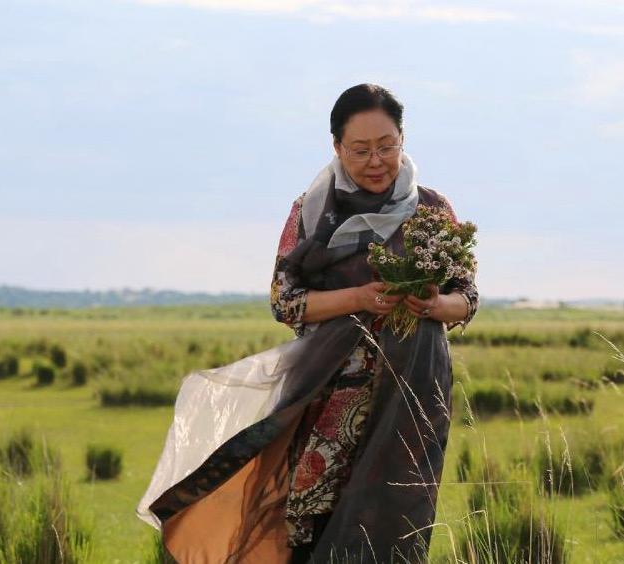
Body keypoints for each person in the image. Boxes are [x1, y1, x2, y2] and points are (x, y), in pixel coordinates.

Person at [136, 83, 479, 564]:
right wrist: (359, 297)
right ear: (337, 147)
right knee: (308, 517)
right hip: (326, 395)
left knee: (396, 516)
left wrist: (434, 305)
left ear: (403, 139)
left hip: (412, 392)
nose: (376, 160)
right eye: (361, 150)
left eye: (387, 146)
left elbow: (466, 296)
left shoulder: (431, 209)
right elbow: (286, 301)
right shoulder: (314, 212)